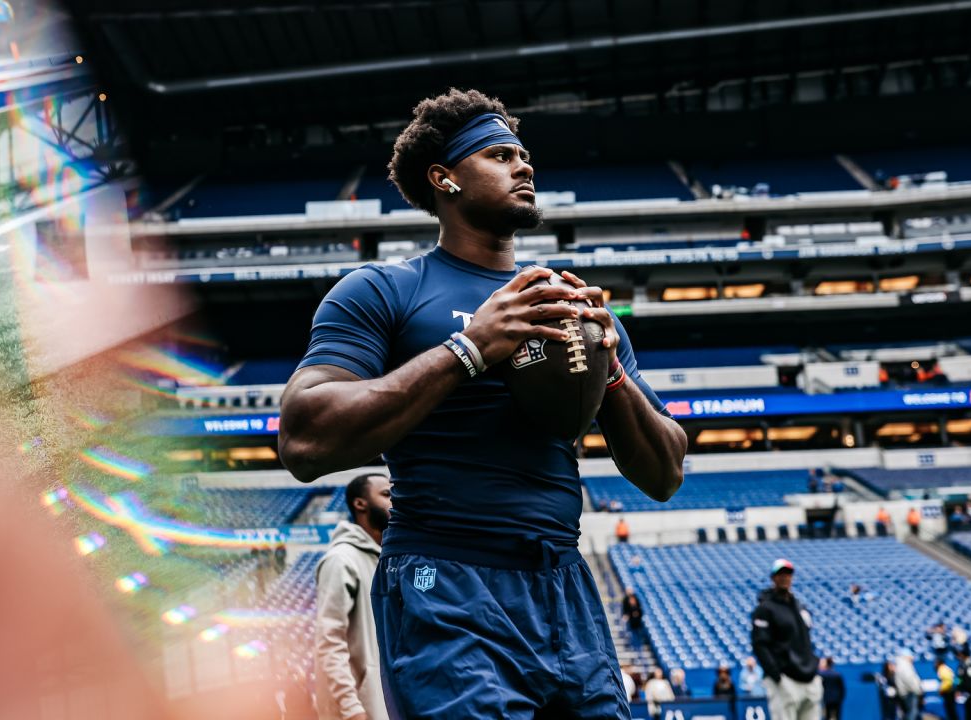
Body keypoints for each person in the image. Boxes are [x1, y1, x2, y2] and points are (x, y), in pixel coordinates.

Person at [279, 88, 687, 719]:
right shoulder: (382, 291)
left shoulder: (572, 308)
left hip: (564, 585)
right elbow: (304, 440)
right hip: (446, 579)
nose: (524, 166)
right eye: (499, 155)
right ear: (445, 179)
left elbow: (665, 474)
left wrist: (609, 373)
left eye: (524, 155)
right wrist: (469, 348)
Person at [315, 473, 393, 720]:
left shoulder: (387, 559)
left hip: (387, 703)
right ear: (360, 504)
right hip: (361, 710)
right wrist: (352, 709)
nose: (396, 501)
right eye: (387, 495)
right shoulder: (341, 561)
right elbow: (329, 642)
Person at [751, 559, 823, 720]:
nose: (785, 577)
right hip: (785, 680)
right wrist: (777, 676)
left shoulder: (799, 606)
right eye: (780, 574)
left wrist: (814, 668)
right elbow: (759, 645)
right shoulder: (765, 609)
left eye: (788, 574)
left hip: (809, 678)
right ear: (773, 578)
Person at [896, 651, 924, 720]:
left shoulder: (900, 665)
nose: (912, 658)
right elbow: (909, 680)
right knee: (912, 713)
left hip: (905, 693)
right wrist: (917, 690)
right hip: (909, 693)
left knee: (910, 713)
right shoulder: (905, 666)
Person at [622, 587, 645, 651]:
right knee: (632, 634)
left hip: (637, 621)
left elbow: (640, 610)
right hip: (631, 621)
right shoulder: (625, 600)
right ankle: (634, 647)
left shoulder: (636, 599)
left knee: (638, 634)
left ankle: (638, 647)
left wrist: (637, 613)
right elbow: (625, 610)